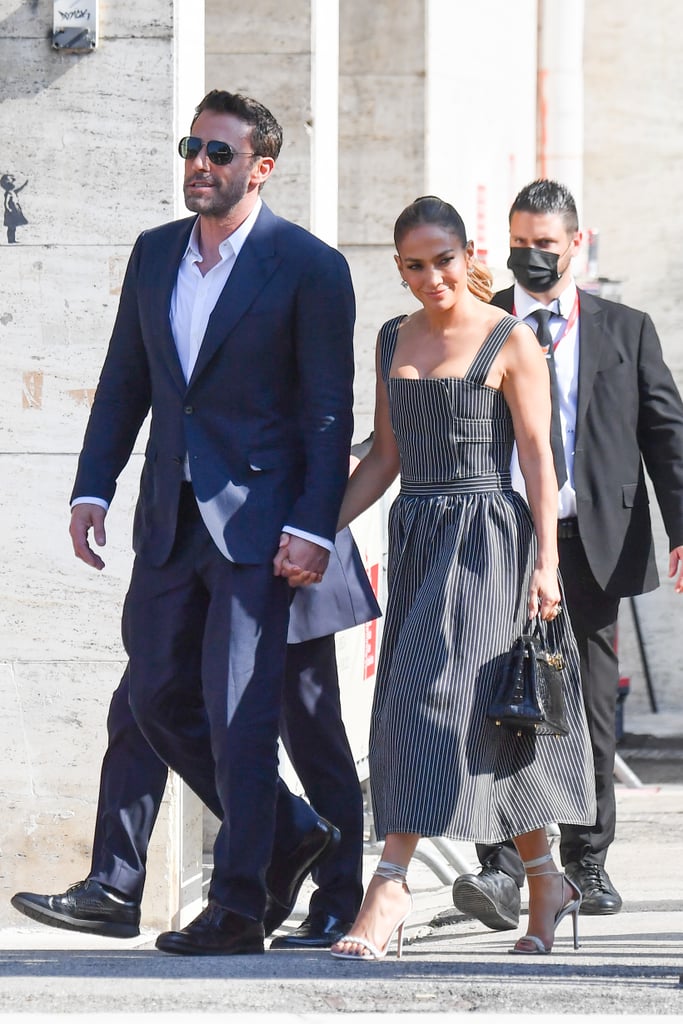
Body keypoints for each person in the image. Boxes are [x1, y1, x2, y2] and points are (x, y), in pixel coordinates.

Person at [62, 89, 356, 956]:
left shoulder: (307, 265)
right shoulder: (154, 255)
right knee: (153, 694)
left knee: (241, 714)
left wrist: (312, 524)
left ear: (260, 167)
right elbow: (125, 381)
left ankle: (236, 906)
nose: (200, 162)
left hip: (261, 526)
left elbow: (327, 413)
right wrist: (92, 488)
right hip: (168, 519)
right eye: (192, 146)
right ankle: (290, 828)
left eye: (219, 153)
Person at [329, 195, 596, 960]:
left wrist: (546, 563)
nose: (430, 277)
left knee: (451, 705)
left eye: (442, 260)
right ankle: (544, 877)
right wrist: (319, 531)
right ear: (398, 267)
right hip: (417, 535)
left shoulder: (511, 339)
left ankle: (389, 886)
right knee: (438, 709)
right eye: (413, 265)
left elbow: (541, 459)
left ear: (468, 252)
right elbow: (383, 456)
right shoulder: (389, 338)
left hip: (490, 542)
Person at [452, 178, 683, 929]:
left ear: (574, 244)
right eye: (520, 244)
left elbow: (664, 436)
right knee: (492, 692)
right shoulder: (480, 326)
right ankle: (498, 865)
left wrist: (681, 530)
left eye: (545, 245)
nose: (532, 257)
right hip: (501, 533)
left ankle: (586, 860)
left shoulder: (625, 329)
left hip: (591, 540)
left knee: (586, 699)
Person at [11, 526, 381, 950]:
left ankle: (337, 902)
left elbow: (335, 463)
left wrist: (311, 529)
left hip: (286, 551)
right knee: (140, 706)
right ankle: (115, 884)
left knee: (311, 732)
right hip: (201, 557)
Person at [1, 173, 28, 244]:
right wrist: (8, 209)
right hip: (11, 212)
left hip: (14, 211)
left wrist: (24, 185)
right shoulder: (9, 193)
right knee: (11, 226)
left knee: (13, 226)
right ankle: (10, 240)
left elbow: (19, 189)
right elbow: (6, 202)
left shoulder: (12, 192)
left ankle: (12, 239)